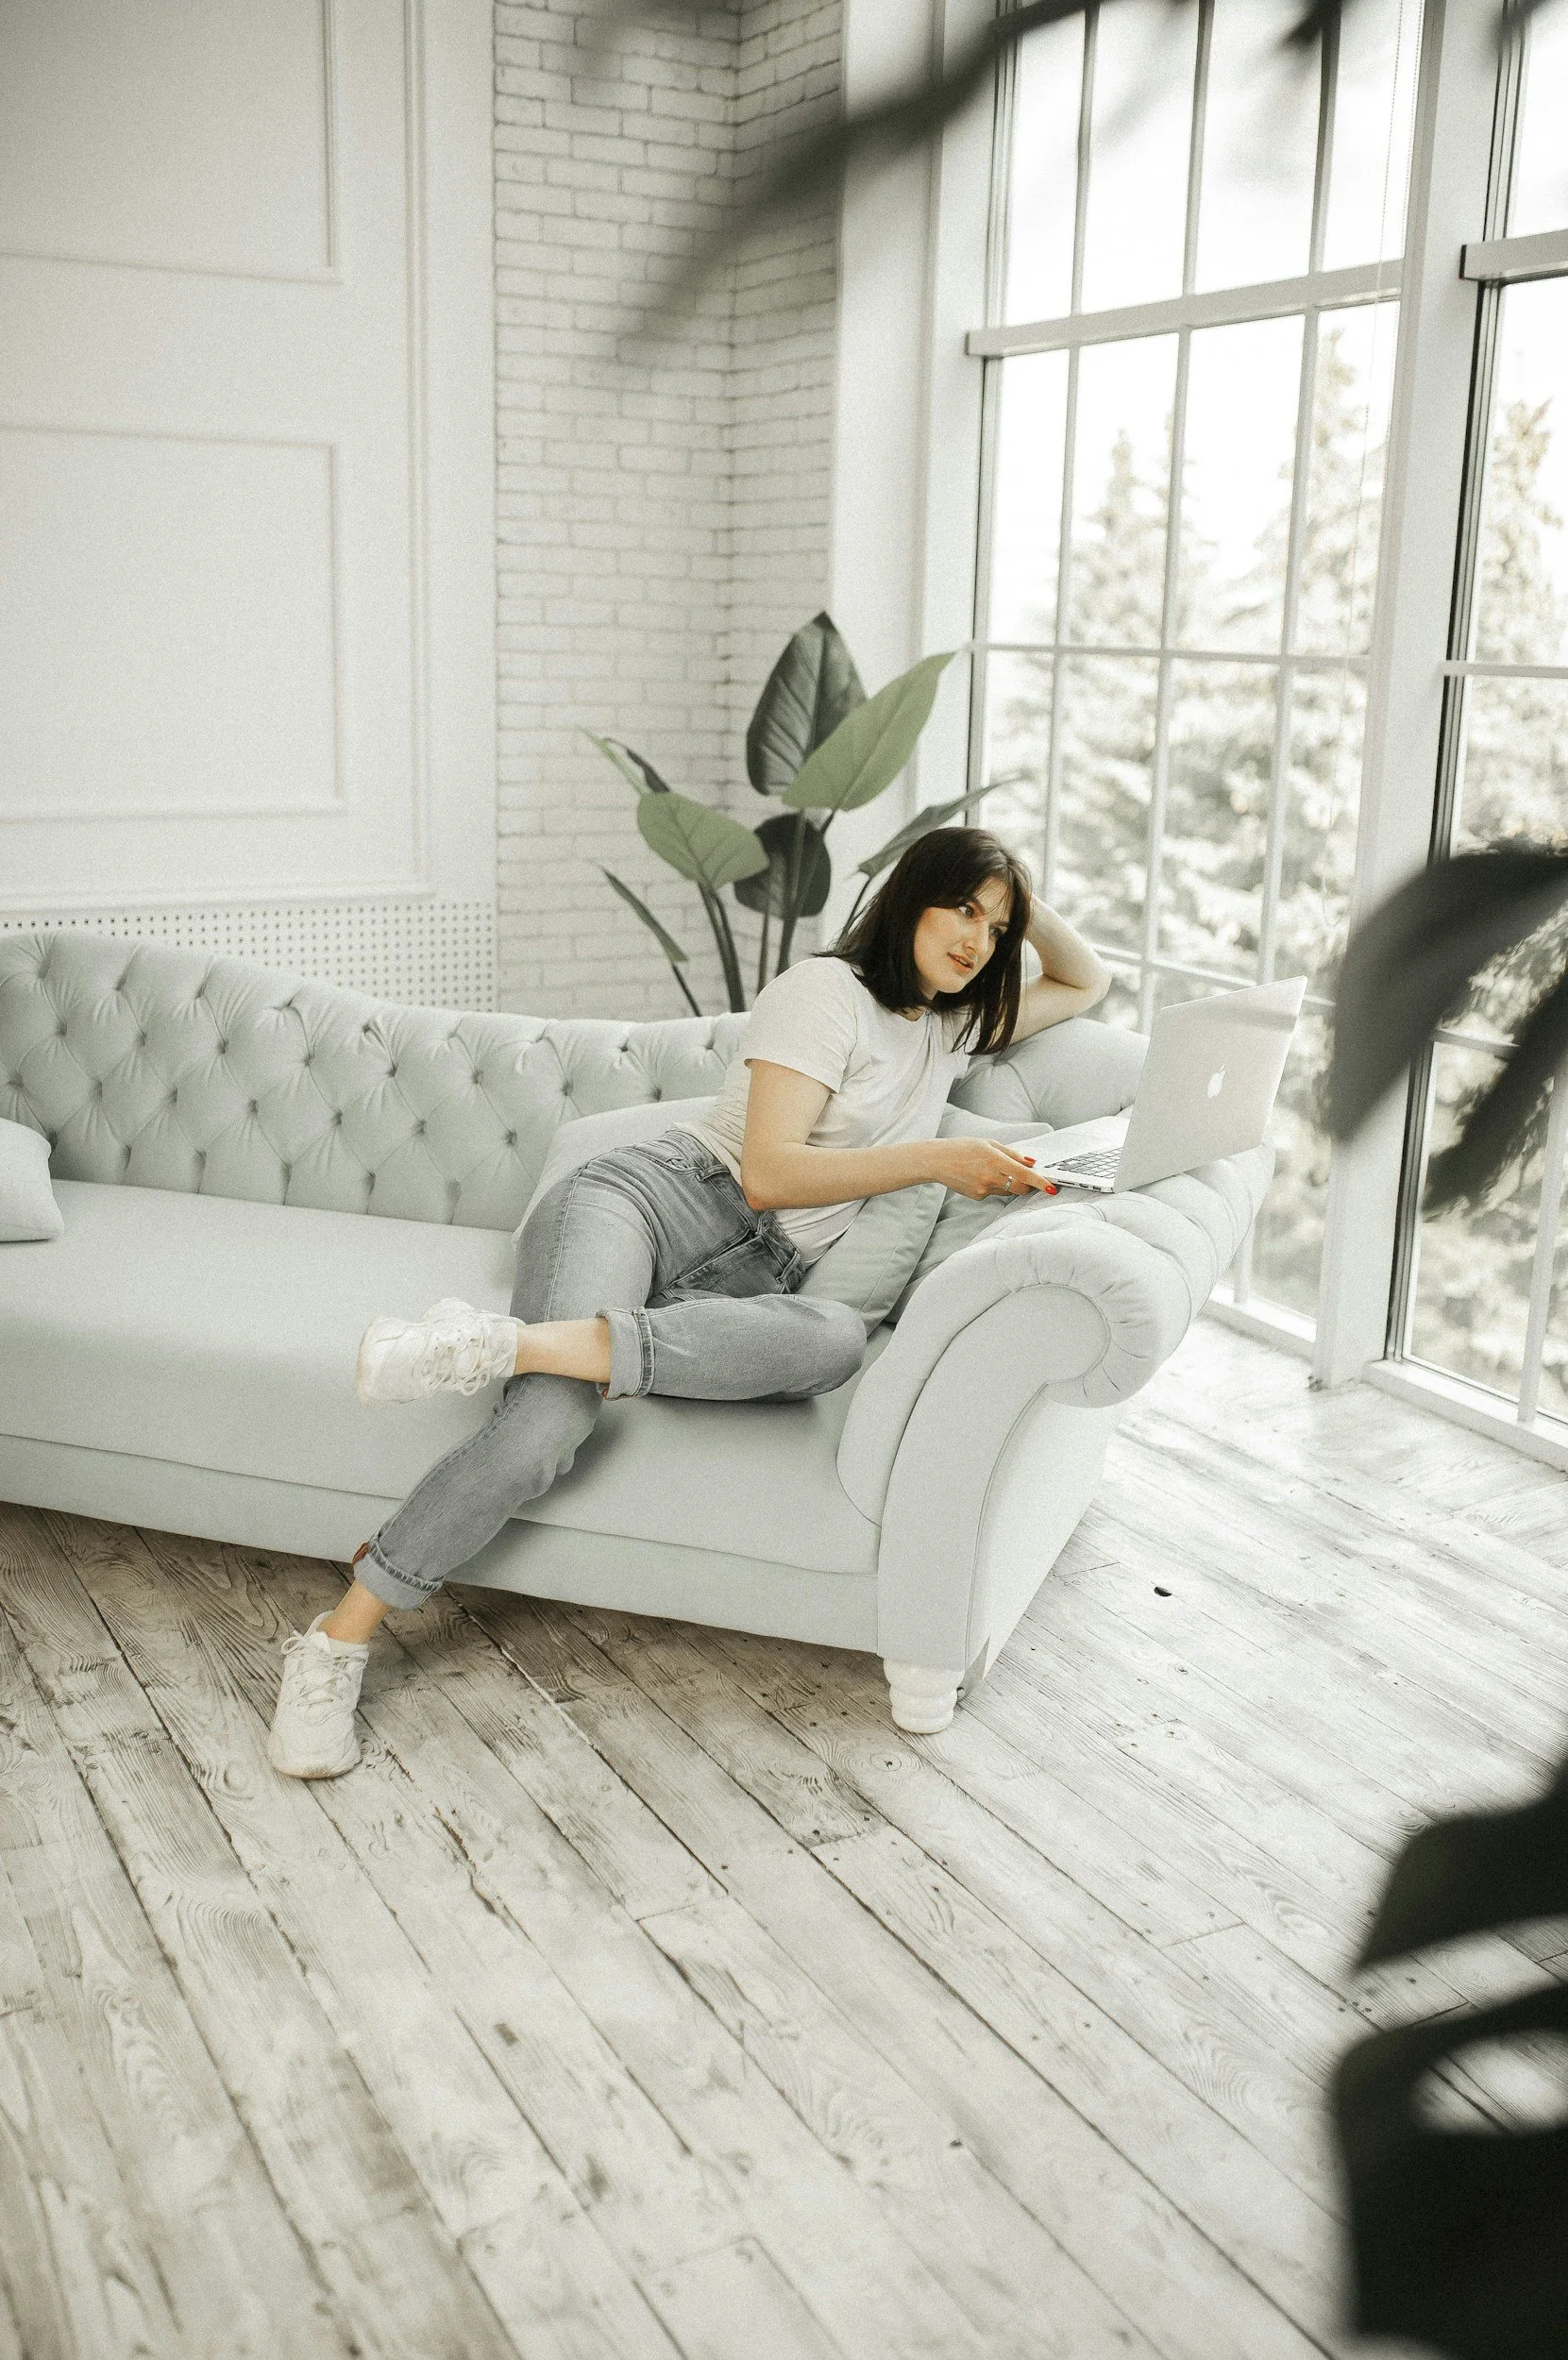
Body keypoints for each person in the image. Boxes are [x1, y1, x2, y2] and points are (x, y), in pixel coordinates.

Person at [265, 827, 1111, 1777]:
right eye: (961, 906)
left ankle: (499, 1343)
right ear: (911, 896)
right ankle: (335, 1643)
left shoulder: (950, 1026)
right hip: (650, 1201)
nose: (977, 938)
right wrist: (937, 1159)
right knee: (546, 1426)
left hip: (757, 1278)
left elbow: (1084, 983)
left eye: (997, 928)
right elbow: (766, 1173)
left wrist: (1018, 895)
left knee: (833, 1339)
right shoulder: (822, 992)